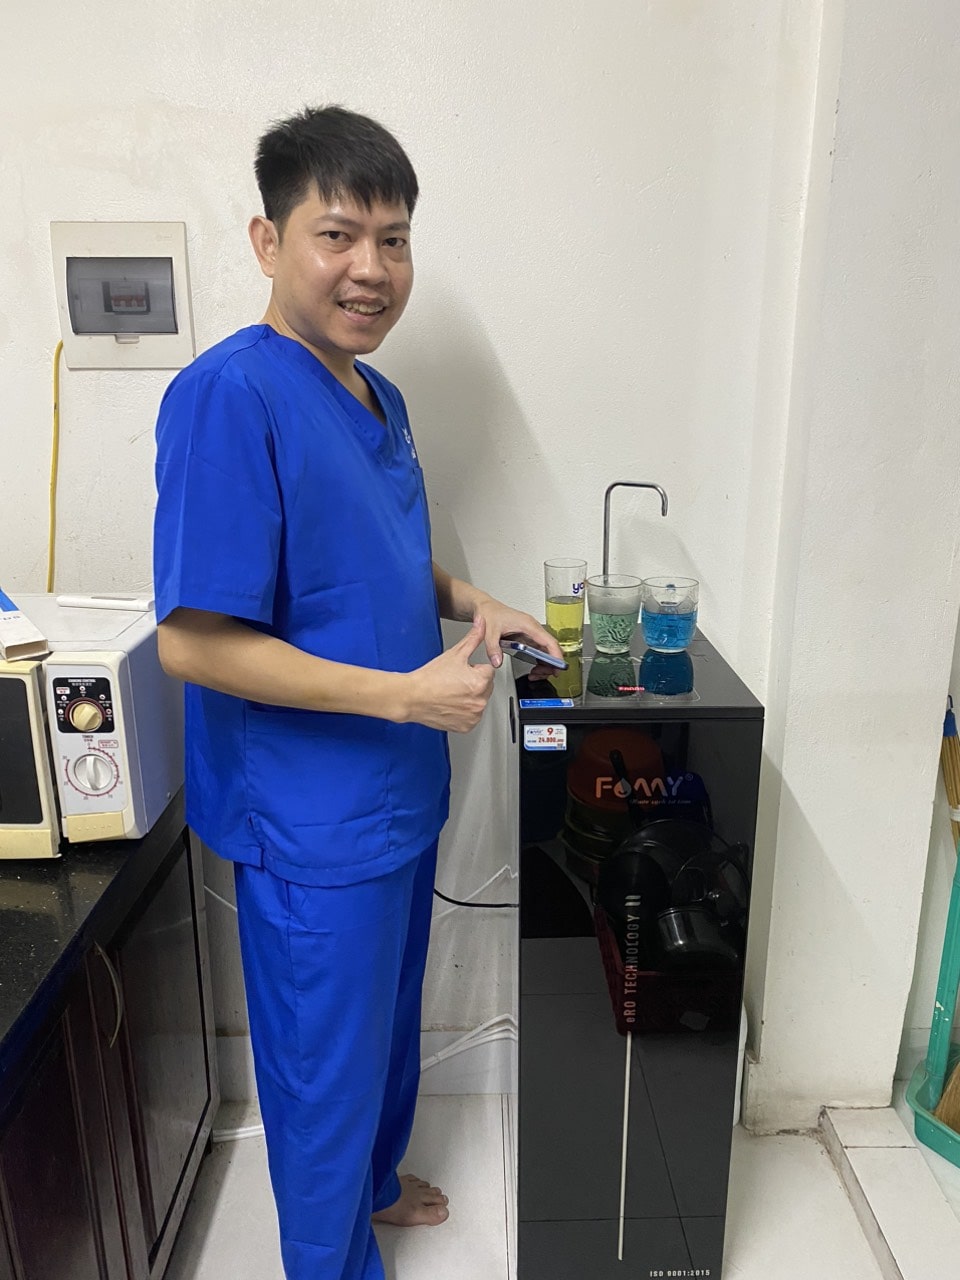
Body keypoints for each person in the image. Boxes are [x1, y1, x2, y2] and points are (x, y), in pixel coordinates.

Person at [152, 104, 562, 1280]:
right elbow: (194, 641)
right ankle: (331, 1258)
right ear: (267, 240)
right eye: (337, 234)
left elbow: (372, 556)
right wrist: (399, 697)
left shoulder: (378, 399)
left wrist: (474, 600)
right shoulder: (231, 397)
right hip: (310, 821)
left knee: (381, 1033)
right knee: (322, 1072)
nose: (370, 268)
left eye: (394, 239)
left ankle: (373, 1184)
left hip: (393, 800)